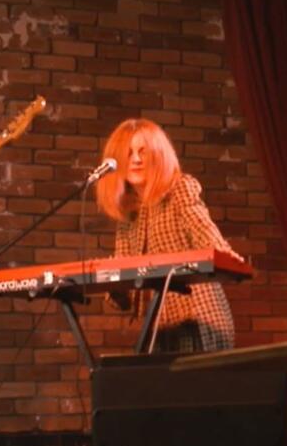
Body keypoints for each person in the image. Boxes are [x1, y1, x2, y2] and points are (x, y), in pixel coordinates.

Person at [95, 118, 241, 353]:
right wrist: (113, 280)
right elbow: (125, 299)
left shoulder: (179, 189)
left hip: (196, 316)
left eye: (143, 152)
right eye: (128, 153)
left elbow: (201, 227)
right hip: (157, 326)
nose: (136, 159)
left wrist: (222, 253)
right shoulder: (127, 215)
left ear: (158, 155)